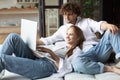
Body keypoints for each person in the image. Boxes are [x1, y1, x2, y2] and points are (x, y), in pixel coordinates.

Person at [37, 2, 120, 75]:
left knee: (113, 30)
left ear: (76, 14)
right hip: (84, 56)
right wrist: (34, 42)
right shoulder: (63, 29)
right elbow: (49, 39)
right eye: (65, 14)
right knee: (77, 63)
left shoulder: (86, 21)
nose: (66, 17)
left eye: (69, 14)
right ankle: (110, 69)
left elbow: (99, 25)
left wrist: (108, 25)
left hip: (99, 50)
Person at [0, 25, 85, 79]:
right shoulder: (62, 45)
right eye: (67, 33)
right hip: (39, 58)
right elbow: (47, 49)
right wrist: (35, 48)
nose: (67, 36)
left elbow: (67, 68)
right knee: (13, 37)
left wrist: (50, 52)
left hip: (46, 67)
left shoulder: (77, 52)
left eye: (71, 34)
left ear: (78, 38)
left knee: (2, 58)